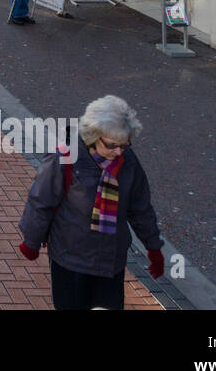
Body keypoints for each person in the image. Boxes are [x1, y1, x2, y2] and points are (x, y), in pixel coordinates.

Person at [18, 95, 165, 310]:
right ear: (93, 136)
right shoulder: (66, 157)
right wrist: (31, 240)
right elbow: (41, 200)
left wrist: (153, 247)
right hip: (71, 261)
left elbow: (140, 208)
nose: (119, 152)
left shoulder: (128, 162)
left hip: (110, 263)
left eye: (124, 145)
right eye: (113, 145)